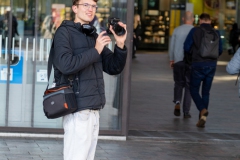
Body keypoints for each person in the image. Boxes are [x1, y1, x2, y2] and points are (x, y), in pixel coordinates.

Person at [52, 0, 128, 159]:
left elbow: (113, 67)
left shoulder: (92, 35)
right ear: (75, 8)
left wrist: (120, 45)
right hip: (77, 108)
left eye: (93, 6)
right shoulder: (64, 33)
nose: (90, 9)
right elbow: (66, 65)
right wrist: (96, 50)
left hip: (93, 109)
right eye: (85, 5)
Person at [184, 13, 222, 128]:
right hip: (211, 66)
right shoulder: (216, 33)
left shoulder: (195, 31)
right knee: (206, 92)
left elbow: (186, 47)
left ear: (200, 20)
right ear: (210, 21)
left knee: (194, 89)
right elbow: (220, 50)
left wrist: (190, 59)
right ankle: (203, 117)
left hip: (197, 64)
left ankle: (202, 109)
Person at [169, 11, 194, 118]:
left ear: (183, 19)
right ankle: (186, 111)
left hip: (178, 61)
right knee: (189, 86)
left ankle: (177, 102)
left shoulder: (177, 30)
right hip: (191, 62)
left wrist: (171, 59)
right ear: (192, 19)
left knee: (178, 83)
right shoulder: (195, 31)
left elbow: (172, 46)